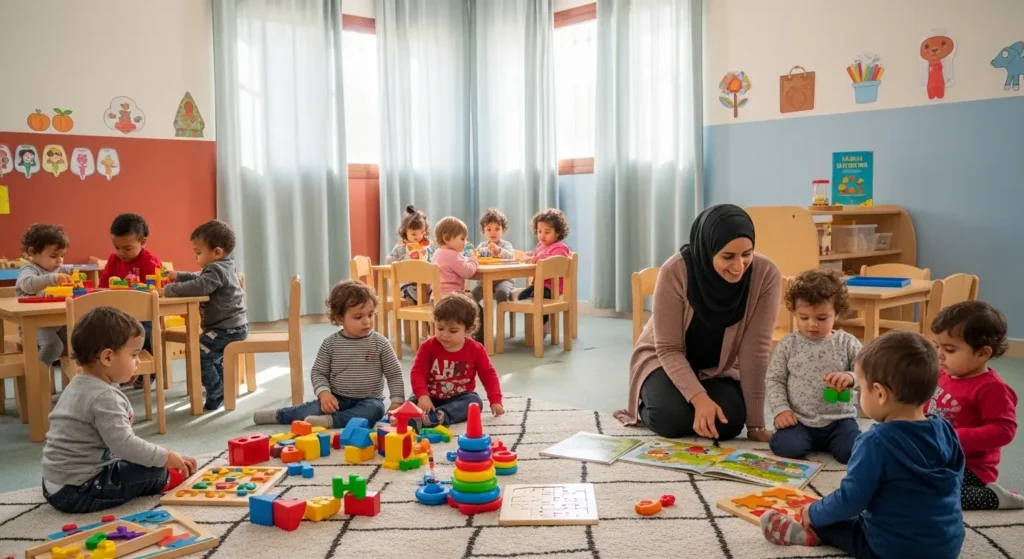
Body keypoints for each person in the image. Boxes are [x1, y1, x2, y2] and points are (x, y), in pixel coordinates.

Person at [761, 331, 964, 559]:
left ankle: (810, 534)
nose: (858, 395)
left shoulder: (875, 443)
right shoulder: (946, 430)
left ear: (879, 393)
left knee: (834, 520)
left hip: (892, 550)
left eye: (860, 388)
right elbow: (955, 485)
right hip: (948, 546)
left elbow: (850, 500)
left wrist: (813, 512)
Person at [614, 204, 781, 443]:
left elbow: (755, 352)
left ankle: (695, 404)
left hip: (717, 369)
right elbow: (669, 348)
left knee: (730, 422)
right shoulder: (675, 271)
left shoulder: (766, 275)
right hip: (663, 361)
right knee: (670, 418)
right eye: (728, 256)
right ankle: (649, 403)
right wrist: (699, 399)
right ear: (707, 248)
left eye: (747, 254)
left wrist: (755, 425)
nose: (739, 266)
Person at [42, 307, 196, 513]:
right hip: (79, 490)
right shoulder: (103, 397)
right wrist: (165, 458)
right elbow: (125, 446)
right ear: (107, 358)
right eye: (133, 355)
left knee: (137, 461)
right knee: (154, 472)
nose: (138, 361)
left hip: (53, 484)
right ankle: (167, 479)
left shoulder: (78, 384)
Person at [253, 280, 404, 428]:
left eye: (370, 315)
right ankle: (279, 415)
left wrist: (397, 401)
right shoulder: (330, 343)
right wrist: (324, 394)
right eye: (358, 317)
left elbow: (394, 373)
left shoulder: (381, 343)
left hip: (369, 400)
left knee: (376, 410)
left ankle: (332, 421)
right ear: (339, 318)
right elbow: (318, 372)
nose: (367, 322)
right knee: (310, 409)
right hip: (336, 398)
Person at [929, 301, 1024, 509]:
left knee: (943, 497)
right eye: (937, 346)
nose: (940, 355)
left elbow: (1004, 430)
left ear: (982, 353)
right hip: (937, 454)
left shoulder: (992, 388)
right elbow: (927, 402)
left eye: (950, 349)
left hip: (970, 468)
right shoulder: (943, 373)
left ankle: (997, 497)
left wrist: (955, 438)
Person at [766, 269, 862, 463]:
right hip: (799, 419)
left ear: (837, 313)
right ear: (794, 312)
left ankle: (833, 442)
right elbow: (774, 378)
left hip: (839, 420)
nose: (812, 324)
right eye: (803, 317)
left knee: (852, 451)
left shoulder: (847, 343)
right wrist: (781, 409)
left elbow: (868, 373)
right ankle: (807, 441)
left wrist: (851, 377)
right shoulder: (789, 344)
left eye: (821, 318)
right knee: (786, 447)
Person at [162, 220, 248, 411]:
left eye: (198, 253)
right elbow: (199, 277)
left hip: (227, 329)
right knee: (208, 354)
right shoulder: (222, 267)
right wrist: (180, 275)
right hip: (230, 327)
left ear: (216, 252)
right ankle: (221, 387)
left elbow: (200, 285)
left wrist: (170, 289)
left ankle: (216, 390)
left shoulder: (217, 269)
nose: (195, 257)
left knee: (200, 354)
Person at [403, 293, 504, 430]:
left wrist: (495, 400)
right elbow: (417, 373)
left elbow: (488, 375)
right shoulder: (428, 347)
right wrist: (422, 396)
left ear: (468, 330)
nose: (444, 334)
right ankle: (414, 420)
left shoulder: (476, 350)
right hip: (429, 396)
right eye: (440, 328)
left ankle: (440, 416)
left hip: (457, 399)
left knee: (474, 402)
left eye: (453, 330)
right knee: (410, 403)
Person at [94, 213, 163, 387]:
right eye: (116, 247)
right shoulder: (113, 260)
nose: (121, 253)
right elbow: (102, 288)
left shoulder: (150, 262)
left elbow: (156, 289)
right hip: (119, 316)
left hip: (144, 315)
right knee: (107, 337)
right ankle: (116, 372)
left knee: (146, 335)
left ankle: (150, 371)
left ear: (143, 242)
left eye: (127, 248)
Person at [15, 224, 75, 366]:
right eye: (54, 256)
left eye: (62, 256)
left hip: (58, 321)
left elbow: (73, 270)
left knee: (80, 338)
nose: (60, 260)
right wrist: (52, 278)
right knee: (54, 346)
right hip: (33, 325)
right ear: (33, 252)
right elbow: (27, 285)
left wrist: (78, 272)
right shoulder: (29, 269)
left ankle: (76, 380)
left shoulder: (57, 268)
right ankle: (39, 375)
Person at [513, 208, 572, 334]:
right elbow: (538, 256)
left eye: (547, 232)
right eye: (539, 231)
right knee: (522, 296)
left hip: (552, 286)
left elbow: (554, 260)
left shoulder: (561, 247)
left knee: (539, 298)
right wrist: (531, 256)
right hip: (539, 283)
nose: (542, 235)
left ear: (558, 232)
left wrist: (537, 258)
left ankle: (544, 324)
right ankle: (535, 325)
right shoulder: (540, 246)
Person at [385, 205, 433, 302]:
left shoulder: (427, 244)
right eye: (413, 234)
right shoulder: (402, 245)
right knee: (408, 294)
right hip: (407, 283)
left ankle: (427, 311)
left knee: (435, 287)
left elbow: (435, 258)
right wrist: (393, 260)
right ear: (405, 232)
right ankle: (409, 316)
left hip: (425, 281)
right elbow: (390, 259)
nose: (418, 236)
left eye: (422, 232)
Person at [431, 216, 480, 297]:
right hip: (452, 300)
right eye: (462, 239)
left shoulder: (437, 253)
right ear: (446, 238)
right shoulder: (453, 255)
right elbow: (467, 272)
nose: (465, 243)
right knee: (476, 307)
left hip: (435, 299)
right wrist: (474, 260)